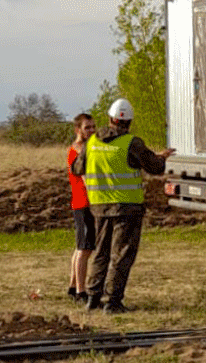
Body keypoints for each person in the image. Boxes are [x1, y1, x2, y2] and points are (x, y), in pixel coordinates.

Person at [70, 98, 175, 314]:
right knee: (121, 255)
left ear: (110, 119)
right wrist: (161, 157)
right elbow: (155, 167)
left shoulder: (92, 143)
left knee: (101, 253)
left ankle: (92, 297)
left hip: (99, 207)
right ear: (129, 121)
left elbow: (76, 169)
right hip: (126, 208)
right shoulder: (132, 143)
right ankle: (113, 301)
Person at [66, 112, 97, 303]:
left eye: (93, 127)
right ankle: (81, 291)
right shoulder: (77, 151)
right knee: (84, 249)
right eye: (87, 127)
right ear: (78, 130)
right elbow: (86, 178)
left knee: (81, 248)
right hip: (83, 203)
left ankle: (72, 286)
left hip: (86, 202)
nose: (92, 131)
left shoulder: (88, 148)